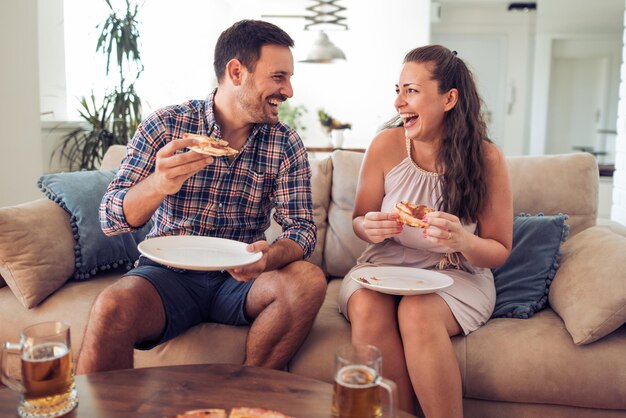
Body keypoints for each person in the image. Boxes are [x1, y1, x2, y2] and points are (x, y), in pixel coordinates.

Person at [76, 20, 327, 374]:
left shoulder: (285, 142)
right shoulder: (166, 126)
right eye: (279, 77)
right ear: (236, 72)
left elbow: (301, 229)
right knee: (111, 307)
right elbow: (110, 219)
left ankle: (246, 395)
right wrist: (158, 184)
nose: (288, 90)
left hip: (240, 279)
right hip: (167, 275)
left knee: (308, 280)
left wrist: (267, 258)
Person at [338, 45, 513, 417]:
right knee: (367, 305)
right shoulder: (385, 145)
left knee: (417, 312)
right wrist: (370, 228)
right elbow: (359, 219)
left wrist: (463, 241)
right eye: (398, 90)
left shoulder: (486, 159)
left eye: (411, 91)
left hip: (455, 274)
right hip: (384, 264)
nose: (399, 102)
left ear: (449, 98)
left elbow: (499, 250)